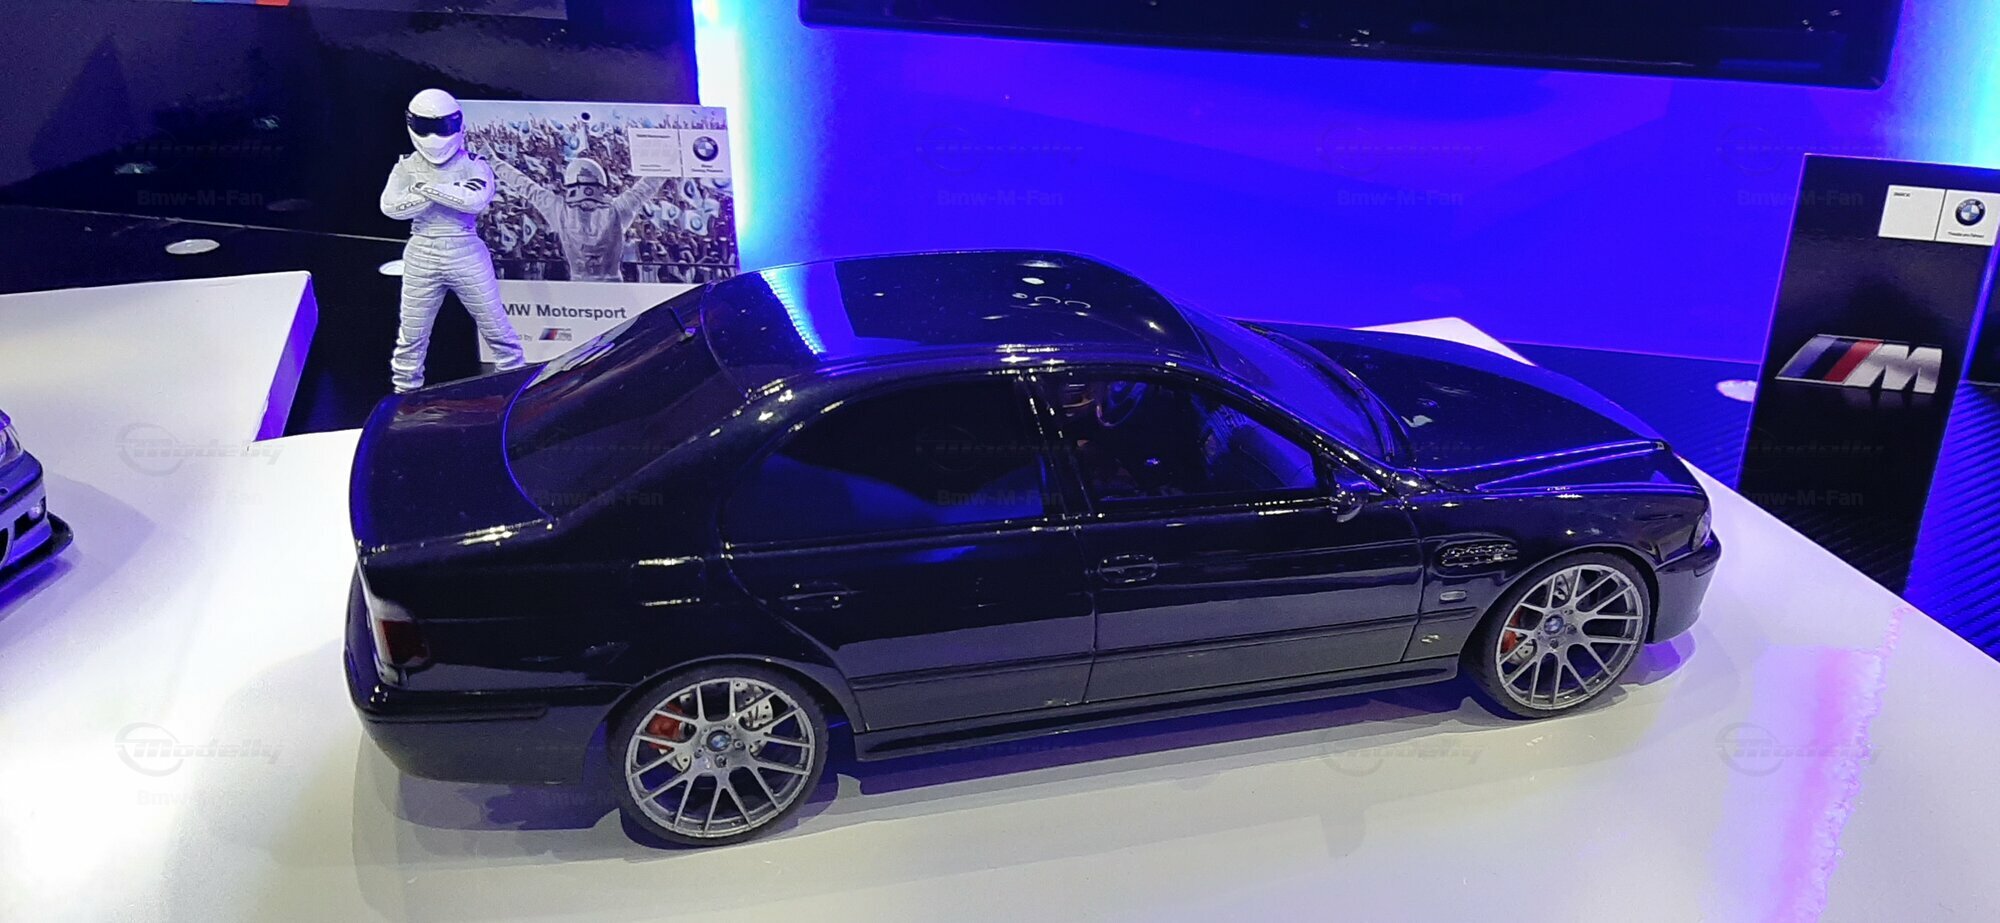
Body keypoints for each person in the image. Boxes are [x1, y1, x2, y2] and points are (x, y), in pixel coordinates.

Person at [380, 88, 526, 392]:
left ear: (458, 124)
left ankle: (516, 392)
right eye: (425, 127)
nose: (434, 136)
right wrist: (446, 191)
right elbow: (390, 207)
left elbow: (473, 202)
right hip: (421, 249)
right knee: (411, 337)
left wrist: (423, 189)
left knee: (496, 328)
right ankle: (404, 397)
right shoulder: (405, 165)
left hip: (465, 249)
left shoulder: (474, 163)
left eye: (442, 126)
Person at [491, 155, 667, 282]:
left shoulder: (559, 209)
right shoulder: (618, 210)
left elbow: (525, 185)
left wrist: (492, 160)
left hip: (578, 290)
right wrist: (670, 159)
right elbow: (646, 187)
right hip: (614, 289)